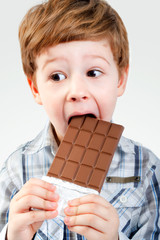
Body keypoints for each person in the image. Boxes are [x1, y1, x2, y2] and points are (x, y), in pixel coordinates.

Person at [0, 0, 160, 239]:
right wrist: (13, 236)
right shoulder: (17, 169)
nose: (77, 91)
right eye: (57, 76)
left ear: (120, 80)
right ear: (35, 88)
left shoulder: (146, 169)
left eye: (93, 72)